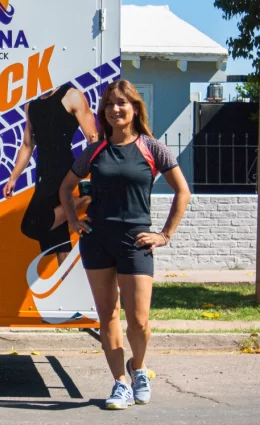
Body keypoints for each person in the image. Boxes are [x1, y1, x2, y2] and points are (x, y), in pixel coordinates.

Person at [59, 79, 190, 410]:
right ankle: (120, 383)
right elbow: (66, 187)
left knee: (140, 320)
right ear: (103, 112)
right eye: (109, 104)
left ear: (134, 108)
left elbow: (182, 191)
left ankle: (139, 368)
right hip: (98, 241)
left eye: (122, 103)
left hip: (136, 241)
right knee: (108, 316)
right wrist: (74, 222)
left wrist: (165, 234)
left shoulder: (151, 147)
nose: (115, 109)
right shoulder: (95, 150)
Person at [3, 82, 98, 264]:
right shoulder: (31, 105)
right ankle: (66, 281)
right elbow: (27, 145)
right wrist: (13, 178)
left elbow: (92, 137)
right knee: (58, 237)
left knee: (32, 225)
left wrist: (98, 172)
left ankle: (85, 200)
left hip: (64, 170)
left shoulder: (71, 95)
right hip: (43, 172)